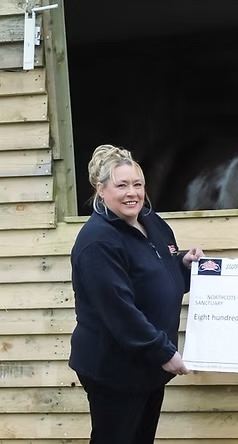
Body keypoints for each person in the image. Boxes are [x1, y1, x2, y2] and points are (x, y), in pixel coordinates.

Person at [69, 144, 204, 444]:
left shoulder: (150, 222)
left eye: (137, 184)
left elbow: (157, 275)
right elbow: (119, 311)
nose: (132, 193)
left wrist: (184, 266)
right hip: (115, 370)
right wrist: (164, 352)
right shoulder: (98, 242)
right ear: (100, 190)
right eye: (121, 185)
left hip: (147, 366)